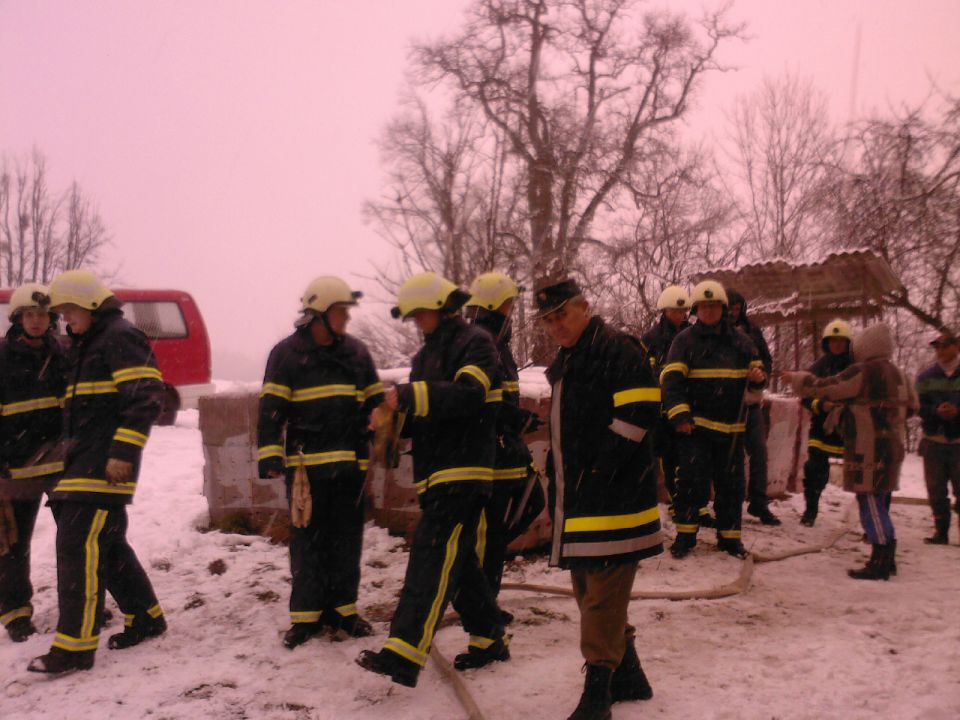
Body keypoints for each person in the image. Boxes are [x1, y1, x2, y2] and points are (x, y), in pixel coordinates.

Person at [356, 272, 508, 688]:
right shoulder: (425, 357)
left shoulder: (476, 342)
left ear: (442, 308)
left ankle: (403, 652)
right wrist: (389, 421)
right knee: (460, 566)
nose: (416, 321)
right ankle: (489, 637)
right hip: (436, 474)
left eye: (420, 313)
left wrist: (409, 396)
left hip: (465, 470)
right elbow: (427, 413)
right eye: (413, 316)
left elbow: (469, 397)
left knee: (431, 556)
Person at [28, 269, 166, 674]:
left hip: (103, 466)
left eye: (69, 310)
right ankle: (146, 617)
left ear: (89, 304)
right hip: (85, 464)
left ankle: (74, 648)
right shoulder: (90, 344)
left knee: (77, 549)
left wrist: (123, 452)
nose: (66, 319)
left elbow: (145, 397)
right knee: (108, 546)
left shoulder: (119, 337)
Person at [536, 277, 662, 720]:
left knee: (602, 596)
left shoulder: (617, 349)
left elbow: (641, 411)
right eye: (548, 320)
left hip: (617, 501)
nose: (556, 326)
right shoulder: (569, 359)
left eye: (561, 315)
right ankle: (629, 675)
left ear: (584, 307)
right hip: (583, 501)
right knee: (588, 590)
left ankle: (597, 692)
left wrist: (602, 471)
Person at [258, 276, 384, 648]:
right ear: (318, 314)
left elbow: (376, 403)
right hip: (305, 472)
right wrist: (270, 454)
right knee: (307, 544)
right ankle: (306, 618)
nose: (346, 318)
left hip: (350, 469)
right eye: (340, 311)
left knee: (347, 542)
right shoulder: (286, 354)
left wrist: (384, 427)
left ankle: (344, 611)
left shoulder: (357, 354)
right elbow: (270, 411)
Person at [783, 322, 918, 580]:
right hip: (893, 446)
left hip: (868, 447)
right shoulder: (900, 375)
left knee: (869, 500)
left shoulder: (864, 372)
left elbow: (827, 386)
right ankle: (887, 558)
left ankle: (881, 555)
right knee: (879, 498)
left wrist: (798, 379)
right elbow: (913, 407)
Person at [661, 280, 767, 559]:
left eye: (714, 306)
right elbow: (671, 382)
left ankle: (730, 538)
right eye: (703, 307)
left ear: (723, 309)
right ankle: (685, 536)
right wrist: (680, 416)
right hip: (695, 428)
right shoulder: (683, 341)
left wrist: (757, 381)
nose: (708, 311)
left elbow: (755, 386)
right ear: (696, 310)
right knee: (690, 484)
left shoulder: (743, 343)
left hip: (732, 430)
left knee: (731, 487)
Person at [462, 272, 544, 619]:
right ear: (496, 304)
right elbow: (474, 402)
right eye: (510, 303)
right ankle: (481, 604)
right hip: (489, 456)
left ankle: (480, 594)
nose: (514, 309)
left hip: (508, 451)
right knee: (488, 537)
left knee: (528, 506)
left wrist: (519, 420)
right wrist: (512, 420)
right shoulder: (479, 342)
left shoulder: (499, 343)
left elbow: (500, 397)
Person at [0, 284, 67, 643]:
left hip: (59, 466)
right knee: (13, 545)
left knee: (72, 539)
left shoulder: (63, 354)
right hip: (15, 469)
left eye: (43, 315)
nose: (37, 321)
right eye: (30, 315)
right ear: (18, 319)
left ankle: (78, 605)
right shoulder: (2, 357)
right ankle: (15, 614)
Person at [641, 285, 714, 526]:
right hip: (664, 409)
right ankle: (677, 503)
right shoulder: (651, 339)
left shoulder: (694, 336)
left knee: (696, 460)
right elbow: (648, 372)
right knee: (671, 460)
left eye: (684, 310)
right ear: (665, 310)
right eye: (676, 310)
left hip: (691, 406)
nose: (681, 315)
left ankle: (699, 506)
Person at [727, 289, 780, 526]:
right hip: (726, 406)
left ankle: (759, 502)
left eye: (736, 309)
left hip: (751, 402)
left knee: (759, 452)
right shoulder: (712, 334)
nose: (732, 313)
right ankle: (731, 503)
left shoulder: (753, 332)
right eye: (728, 308)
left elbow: (767, 361)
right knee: (731, 457)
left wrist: (760, 375)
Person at [799, 319, 854, 526]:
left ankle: (866, 514)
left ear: (848, 343)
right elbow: (804, 396)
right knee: (814, 470)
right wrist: (820, 405)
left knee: (862, 473)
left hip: (850, 429)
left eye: (841, 341)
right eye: (833, 341)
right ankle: (810, 510)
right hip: (822, 428)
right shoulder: (818, 368)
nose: (837, 344)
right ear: (826, 343)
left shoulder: (856, 367)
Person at [915, 327, 960, 544]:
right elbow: (917, 407)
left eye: (945, 345)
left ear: (956, 347)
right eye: (937, 346)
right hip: (934, 441)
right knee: (936, 489)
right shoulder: (925, 377)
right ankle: (941, 532)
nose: (940, 350)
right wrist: (935, 412)